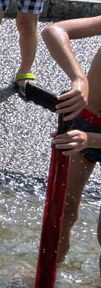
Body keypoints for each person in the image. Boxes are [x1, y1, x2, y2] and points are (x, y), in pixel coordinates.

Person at [38, 17, 101, 268]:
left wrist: (90, 140)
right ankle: (45, 280)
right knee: (61, 213)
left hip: (89, 135)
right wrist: (79, 78)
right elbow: (54, 31)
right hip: (87, 121)